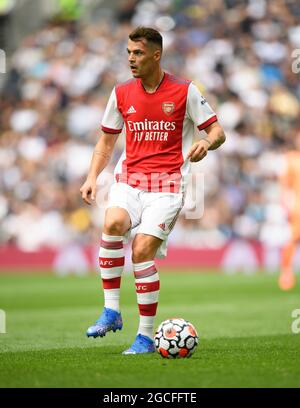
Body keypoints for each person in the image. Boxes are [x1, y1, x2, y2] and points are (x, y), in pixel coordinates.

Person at [80, 26, 226, 354]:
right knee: (113, 223)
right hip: (129, 180)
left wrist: (206, 142)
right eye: (129, 53)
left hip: (167, 186)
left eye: (138, 53)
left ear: (156, 55)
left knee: (142, 250)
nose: (131, 59)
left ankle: (145, 337)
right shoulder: (120, 94)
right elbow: (106, 143)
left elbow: (218, 131)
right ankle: (112, 311)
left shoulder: (184, 91)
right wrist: (92, 177)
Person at [278, 132, 300, 290]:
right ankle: (286, 273)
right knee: (293, 239)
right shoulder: (292, 159)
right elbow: (285, 186)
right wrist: (286, 204)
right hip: (298, 208)